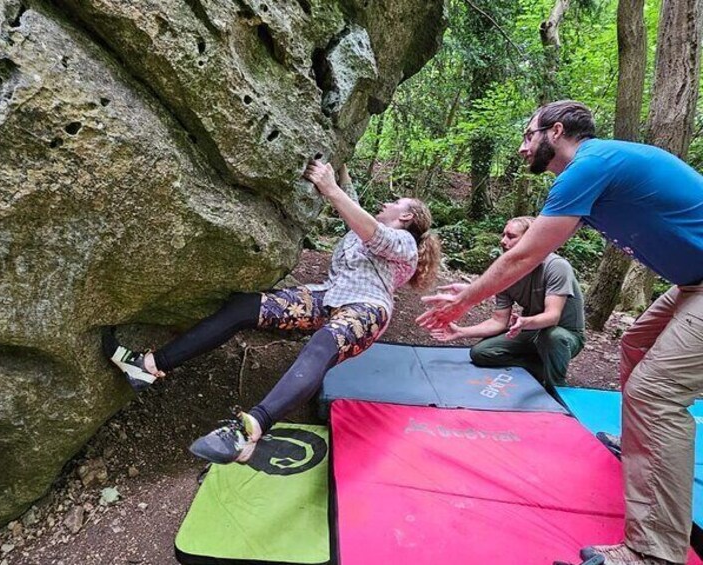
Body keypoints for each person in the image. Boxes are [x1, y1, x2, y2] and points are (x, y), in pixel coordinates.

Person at [417, 100, 703, 565]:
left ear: (555, 131)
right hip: (693, 283)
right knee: (636, 343)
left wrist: (463, 300)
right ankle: (638, 442)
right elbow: (526, 253)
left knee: (656, 391)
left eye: (528, 135)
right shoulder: (594, 174)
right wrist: (475, 289)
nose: (522, 146)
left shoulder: (591, 164)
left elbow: (525, 256)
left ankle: (654, 553)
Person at [104, 160, 441, 465]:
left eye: (395, 202)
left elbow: (372, 231)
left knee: (323, 344)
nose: (387, 203)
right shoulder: (360, 226)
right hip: (324, 299)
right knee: (243, 307)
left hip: (367, 310)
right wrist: (337, 167)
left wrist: (330, 188)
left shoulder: (405, 244)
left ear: (407, 216)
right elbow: (353, 205)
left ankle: (249, 431)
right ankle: (148, 365)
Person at [429, 216, 585, 391]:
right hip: (531, 331)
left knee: (553, 336)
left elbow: (553, 316)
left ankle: (556, 388)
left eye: (510, 236)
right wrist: (460, 332)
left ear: (530, 239)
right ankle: (539, 369)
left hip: (564, 336)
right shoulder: (505, 272)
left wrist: (526, 322)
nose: (503, 241)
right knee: (480, 353)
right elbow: (498, 321)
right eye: (503, 235)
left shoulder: (556, 266)